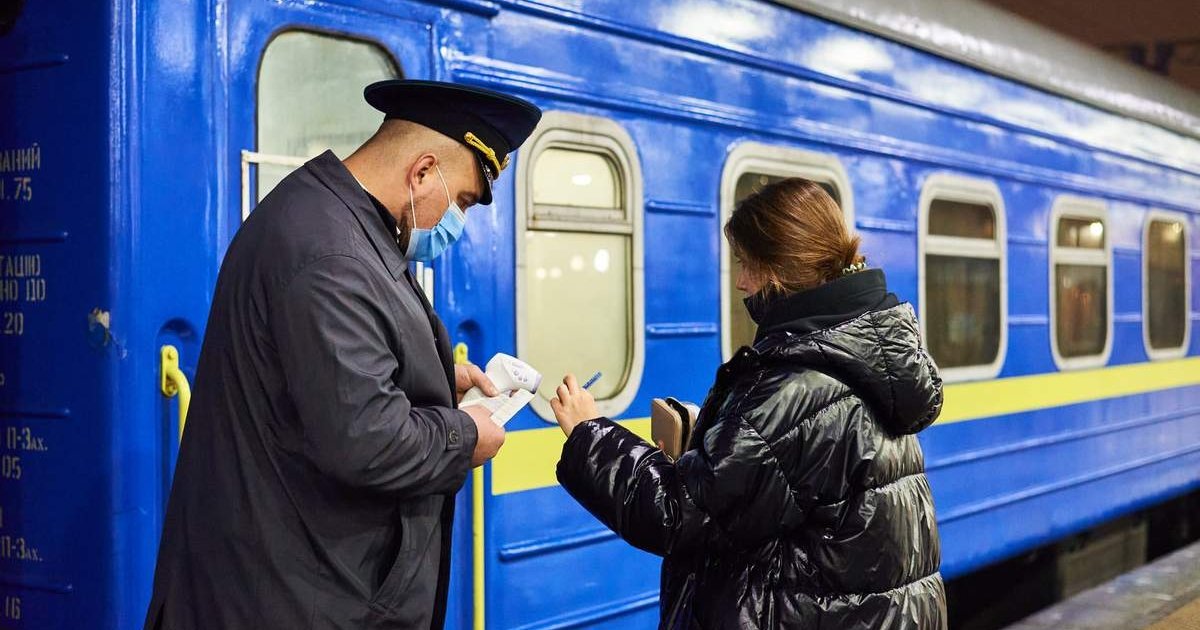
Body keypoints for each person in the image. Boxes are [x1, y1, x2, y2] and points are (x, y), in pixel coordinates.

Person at [144, 80, 541, 630]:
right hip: (288, 601)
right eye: (463, 202)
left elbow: (324, 375)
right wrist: (465, 435)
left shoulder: (336, 223)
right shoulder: (332, 255)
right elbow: (368, 441)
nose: (459, 222)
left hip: (299, 587)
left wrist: (430, 375)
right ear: (423, 172)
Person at [552, 178, 947, 628]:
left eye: (746, 264)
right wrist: (719, 442)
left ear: (779, 266)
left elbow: (676, 513)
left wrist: (589, 434)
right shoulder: (862, 358)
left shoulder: (798, 387)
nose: (741, 282)